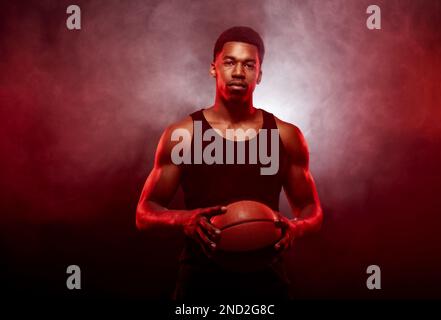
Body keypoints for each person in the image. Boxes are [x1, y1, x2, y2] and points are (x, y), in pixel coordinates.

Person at [136, 26, 323, 301]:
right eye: (230, 62)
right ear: (214, 68)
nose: (238, 72)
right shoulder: (183, 135)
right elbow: (144, 212)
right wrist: (184, 218)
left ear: (259, 74)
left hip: (266, 282)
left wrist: (296, 227)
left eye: (249, 65)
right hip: (199, 284)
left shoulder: (286, 136)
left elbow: (311, 209)